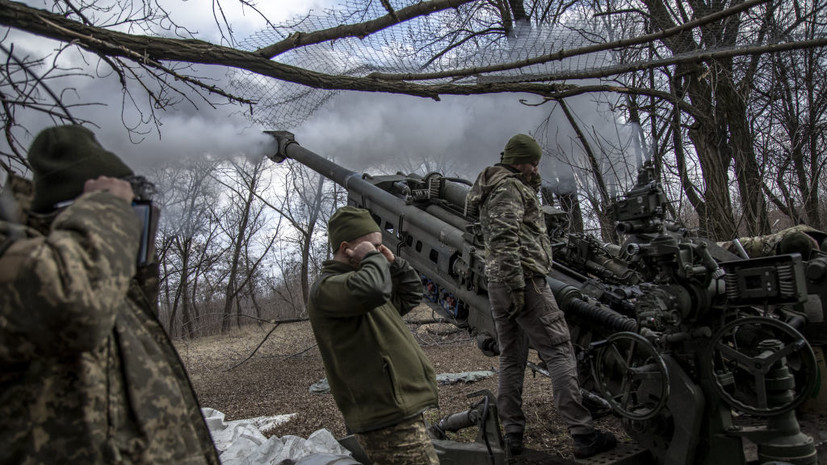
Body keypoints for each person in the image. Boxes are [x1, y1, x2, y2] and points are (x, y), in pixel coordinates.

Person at [0, 125, 219, 465]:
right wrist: (107, 213)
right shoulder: (25, 261)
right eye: (122, 217)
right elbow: (74, 308)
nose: (128, 232)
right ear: (78, 212)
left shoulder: (101, 277)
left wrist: (136, 264)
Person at [466, 134, 617, 459]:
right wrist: (519, 287)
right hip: (524, 282)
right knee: (561, 352)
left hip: (501, 283)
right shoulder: (508, 188)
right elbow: (506, 240)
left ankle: (514, 435)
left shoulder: (498, 185)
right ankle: (582, 434)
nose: (537, 168)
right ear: (518, 161)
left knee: (512, 357)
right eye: (533, 162)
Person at [307, 206, 439, 465]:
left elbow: (410, 295)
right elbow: (373, 289)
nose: (378, 251)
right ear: (346, 248)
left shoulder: (363, 285)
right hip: (384, 415)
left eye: (380, 246)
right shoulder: (328, 289)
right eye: (372, 246)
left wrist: (395, 264)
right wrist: (373, 261)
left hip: (399, 409)